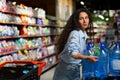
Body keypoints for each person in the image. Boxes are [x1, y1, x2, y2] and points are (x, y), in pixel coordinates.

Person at [53, 8, 98, 80]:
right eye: (81, 19)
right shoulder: (75, 33)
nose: (84, 21)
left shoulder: (83, 33)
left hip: (75, 67)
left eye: (86, 18)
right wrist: (87, 58)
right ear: (77, 21)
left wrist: (94, 49)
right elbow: (74, 54)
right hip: (66, 70)